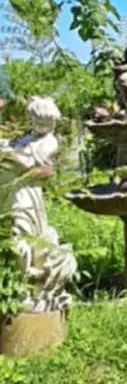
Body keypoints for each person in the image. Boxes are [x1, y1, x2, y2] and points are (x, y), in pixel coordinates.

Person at [0, 96, 76, 313]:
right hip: (11, 189)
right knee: (10, 232)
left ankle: (28, 288)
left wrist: (8, 154)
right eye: (37, 120)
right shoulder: (27, 137)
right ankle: (16, 284)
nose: (41, 126)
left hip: (27, 193)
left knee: (22, 231)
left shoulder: (49, 141)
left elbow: (30, 164)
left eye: (46, 122)